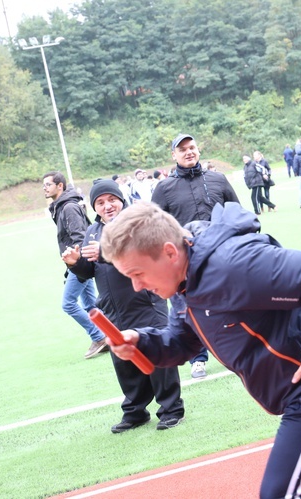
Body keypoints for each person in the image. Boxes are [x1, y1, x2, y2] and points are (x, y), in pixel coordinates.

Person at [100, 201, 301, 499]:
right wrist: (142, 342)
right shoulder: (183, 280)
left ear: (170, 252)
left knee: (287, 494)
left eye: (137, 274)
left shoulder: (232, 265)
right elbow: (184, 339)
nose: (137, 287)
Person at [62, 179, 185, 432]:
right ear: (94, 207)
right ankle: (135, 411)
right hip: (112, 308)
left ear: (121, 199)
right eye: (100, 202)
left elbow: (142, 252)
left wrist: (105, 253)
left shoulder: (135, 222)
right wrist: (75, 263)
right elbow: (89, 272)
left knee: (157, 353)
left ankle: (171, 409)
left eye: (111, 200)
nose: (107, 206)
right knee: (124, 361)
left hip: (146, 301)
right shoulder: (92, 231)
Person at [152, 133, 240, 379]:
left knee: (230, 303)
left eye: (191, 148)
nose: (188, 152)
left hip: (222, 255)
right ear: (174, 155)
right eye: (182, 149)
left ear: (198, 150)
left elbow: (236, 212)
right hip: (184, 263)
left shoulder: (218, 179)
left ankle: (234, 349)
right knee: (187, 311)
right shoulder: (164, 188)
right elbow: (154, 227)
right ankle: (198, 358)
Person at [43, 171, 107, 359]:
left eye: (48, 184)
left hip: (80, 261)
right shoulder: (62, 206)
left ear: (59, 186)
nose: (44, 188)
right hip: (77, 261)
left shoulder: (68, 207)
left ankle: (98, 337)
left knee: (68, 304)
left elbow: (80, 237)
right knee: (90, 303)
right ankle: (112, 334)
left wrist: (78, 265)